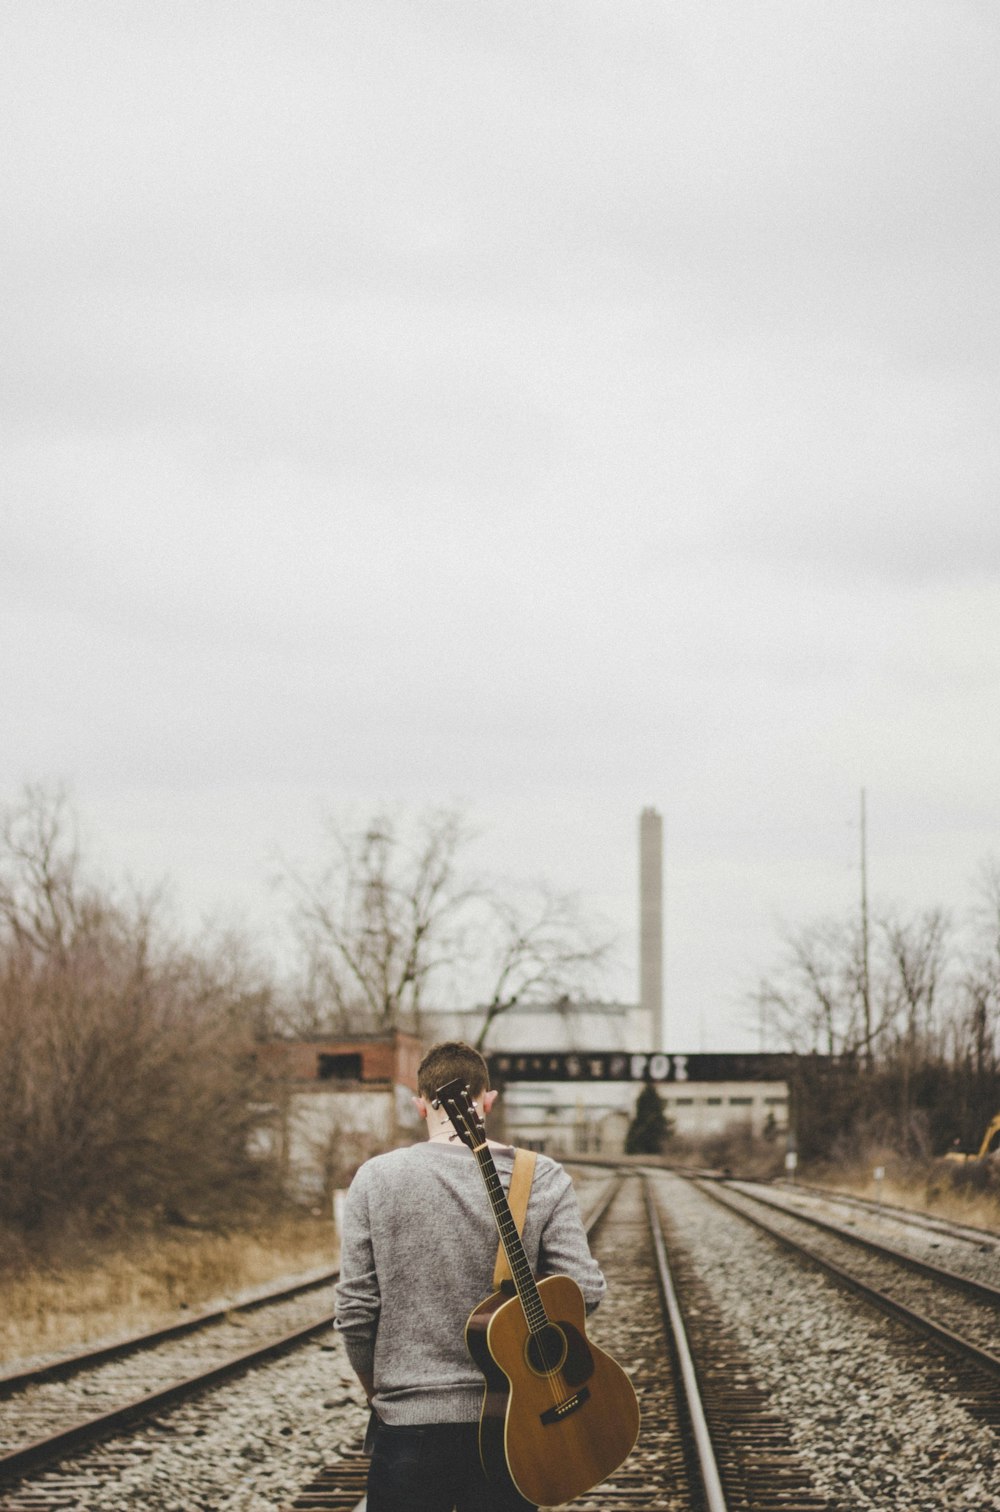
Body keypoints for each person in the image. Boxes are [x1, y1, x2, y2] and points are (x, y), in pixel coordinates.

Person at [334, 1039, 607, 1512]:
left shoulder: (374, 1178)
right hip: (516, 1429)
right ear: (489, 1099)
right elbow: (583, 1292)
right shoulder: (540, 1176)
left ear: (421, 1104)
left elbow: (355, 1313)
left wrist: (379, 1393)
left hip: (408, 1426)